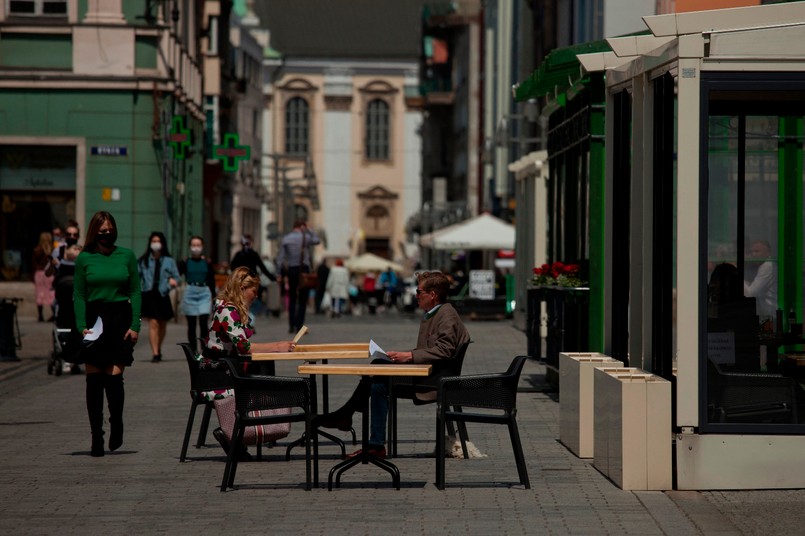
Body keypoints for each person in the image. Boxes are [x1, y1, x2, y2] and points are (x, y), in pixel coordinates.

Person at [318, 271, 471, 458]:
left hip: (435, 380)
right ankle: (355, 424)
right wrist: (400, 356)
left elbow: (445, 350)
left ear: (433, 295)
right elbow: (430, 350)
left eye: (419, 291)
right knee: (378, 366)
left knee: (379, 382)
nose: (416, 295)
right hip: (429, 372)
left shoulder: (446, 315)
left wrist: (409, 356)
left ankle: (363, 432)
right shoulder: (436, 313)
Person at [201, 267, 296, 458]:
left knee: (263, 378)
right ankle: (238, 434)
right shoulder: (227, 311)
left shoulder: (229, 308)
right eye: (254, 290)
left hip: (223, 368)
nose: (256, 295)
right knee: (264, 385)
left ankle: (240, 435)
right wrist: (278, 346)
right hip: (217, 374)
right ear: (242, 288)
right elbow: (244, 347)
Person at [73, 211, 141, 457]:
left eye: (109, 229)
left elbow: (135, 291)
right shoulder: (84, 258)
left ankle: (117, 424)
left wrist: (135, 325)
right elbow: (79, 294)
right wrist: (81, 325)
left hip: (119, 318)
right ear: (94, 232)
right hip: (94, 319)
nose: (106, 233)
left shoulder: (127, 256)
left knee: (114, 375)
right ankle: (96, 438)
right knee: (94, 379)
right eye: (101, 230)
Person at [138, 232, 180, 362]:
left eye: (158, 241)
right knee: (153, 323)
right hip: (149, 293)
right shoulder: (143, 261)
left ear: (162, 244)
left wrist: (171, 283)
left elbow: (176, 277)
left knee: (162, 323)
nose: (156, 243)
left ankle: (159, 346)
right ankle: (155, 353)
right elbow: (135, 277)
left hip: (162, 293)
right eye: (154, 241)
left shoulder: (169, 261)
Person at [46, 220, 82, 374]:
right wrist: (53, 265)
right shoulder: (59, 251)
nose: (72, 237)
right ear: (65, 235)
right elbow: (48, 272)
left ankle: (75, 356)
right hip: (62, 293)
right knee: (62, 321)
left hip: (78, 294)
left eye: (75, 234)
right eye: (69, 234)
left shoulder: (82, 251)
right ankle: (65, 354)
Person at [275, 219, 320, 334]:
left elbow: (280, 258)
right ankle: (299, 326)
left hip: (292, 270)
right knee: (303, 300)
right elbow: (317, 240)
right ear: (302, 227)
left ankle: (291, 325)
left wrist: (279, 273)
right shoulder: (305, 238)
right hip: (303, 270)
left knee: (292, 298)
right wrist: (310, 230)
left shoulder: (286, 238)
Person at [178, 236, 216, 353]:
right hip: (190, 291)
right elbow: (177, 274)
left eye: (198, 245)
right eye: (193, 245)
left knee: (204, 323)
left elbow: (211, 279)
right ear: (190, 247)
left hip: (204, 292)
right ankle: (193, 350)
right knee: (192, 324)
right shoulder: (185, 262)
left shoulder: (207, 262)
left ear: (202, 247)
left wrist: (214, 296)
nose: (196, 248)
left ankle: (205, 349)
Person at [229, 234, 276, 315]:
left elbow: (232, 267)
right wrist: (273, 278)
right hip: (246, 281)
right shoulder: (246, 254)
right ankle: (248, 318)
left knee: (249, 301)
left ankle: (247, 317)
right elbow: (262, 268)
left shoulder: (242, 254)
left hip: (246, 281)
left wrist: (272, 278)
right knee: (250, 302)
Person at [744, 240, 778, 318]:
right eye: (751, 252)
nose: (753, 254)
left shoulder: (767, 266)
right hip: (768, 314)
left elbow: (750, 293)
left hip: (772, 314)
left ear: (768, 252)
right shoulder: (765, 265)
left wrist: (737, 271)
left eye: (757, 251)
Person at [32, 231, 55, 322]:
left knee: (40, 294)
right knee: (50, 294)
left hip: (39, 273)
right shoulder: (53, 250)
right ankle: (54, 314)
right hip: (49, 274)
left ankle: (40, 315)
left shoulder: (37, 250)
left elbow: (33, 263)